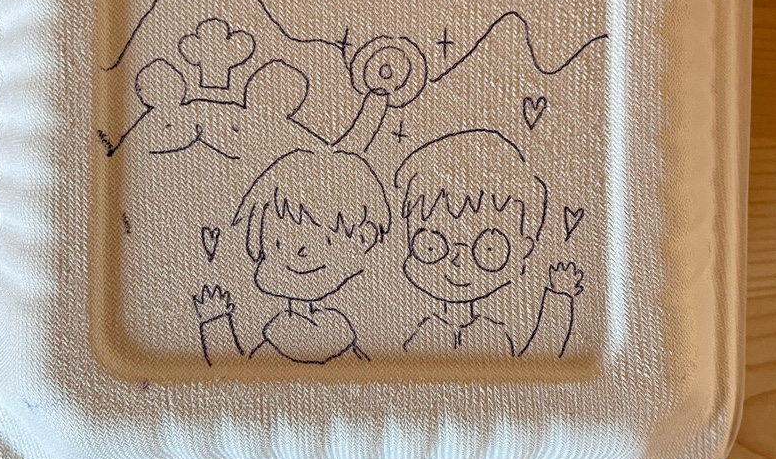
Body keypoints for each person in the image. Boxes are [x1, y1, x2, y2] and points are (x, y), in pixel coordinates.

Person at [394, 130, 547, 356]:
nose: (457, 261)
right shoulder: (426, 333)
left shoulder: (493, 336)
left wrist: (558, 299)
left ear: (523, 248)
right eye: (431, 246)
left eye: (489, 249)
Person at [233, 146, 391, 363]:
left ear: (364, 238)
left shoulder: (338, 332)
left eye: (327, 241)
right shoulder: (278, 338)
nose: (300, 252)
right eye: (279, 243)